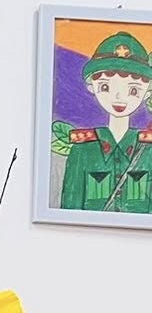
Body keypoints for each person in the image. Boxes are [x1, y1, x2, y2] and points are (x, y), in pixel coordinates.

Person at [58, 31, 152, 215]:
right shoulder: (83, 150)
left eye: (133, 90)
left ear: (147, 92)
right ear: (91, 87)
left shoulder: (148, 151)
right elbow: (70, 208)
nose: (118, 97)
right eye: (106, 87)